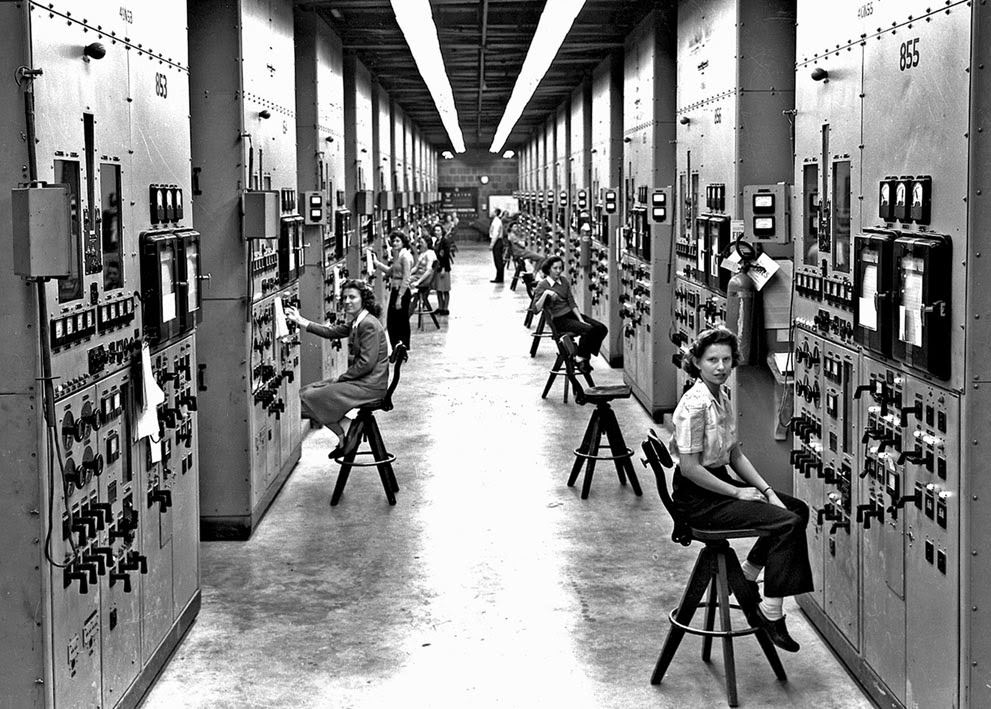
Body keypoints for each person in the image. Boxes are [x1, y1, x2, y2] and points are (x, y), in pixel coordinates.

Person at [670, 326, 813, 653]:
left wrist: (765, 490)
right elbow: (690, 468)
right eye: (712, 360)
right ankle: (772, 612)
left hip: (717, 480)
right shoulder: (694, 405)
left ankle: (749, 572)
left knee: (796, 510)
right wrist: (737, 493)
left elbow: (734, 454)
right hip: (699, 498)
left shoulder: (721, 396)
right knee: (787, 524)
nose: (720, 367)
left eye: (726, 359)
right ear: (697, 362)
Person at [286, 280, 389, 458]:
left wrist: (343, 378)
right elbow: (331, 332)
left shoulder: (368, 324)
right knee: (306, 392)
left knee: (310, 396)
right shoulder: (359, 321)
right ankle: (345, 432)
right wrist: (300, 321)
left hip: (370, 385)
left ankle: (346, 433)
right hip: (364, 381)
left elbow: (366, 363)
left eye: (352, 297)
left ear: (363, 299)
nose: (347, 301)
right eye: (344, 297)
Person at [530, 256, 607, 373]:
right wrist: (546, 293)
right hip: (559, 319)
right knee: (589, 330)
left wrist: (581, 320)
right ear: (548, 269)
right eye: (555, 268)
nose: (558, 271)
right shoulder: (543, 285)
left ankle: (583, 357)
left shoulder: (564, 281)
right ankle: (581, 358)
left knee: (601, 329)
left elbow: (571, 303)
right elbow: (535, 309)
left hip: (571, 314)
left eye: (560, 268)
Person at [371, 230, 414, 351]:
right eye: (393, 241)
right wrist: (377, 263)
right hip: (396, 291)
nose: (394, 243)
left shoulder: (405, 257)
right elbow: (390, 271)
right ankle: (397, 347)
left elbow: (406, 278)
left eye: (397, 241)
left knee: (399, 321)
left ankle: (401, 348)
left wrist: (400, 297)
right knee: (394, 321)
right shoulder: (398, 256)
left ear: (403, 242)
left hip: (402, 292)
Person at [409, 234, 437, 310]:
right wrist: (408, 274)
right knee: (404, 280)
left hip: (424, 279)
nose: (420, 244)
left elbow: (429, 270)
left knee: (404, 284)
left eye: (422, 242)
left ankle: (410, 305)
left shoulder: (430, 254)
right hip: (418, 276)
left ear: (427, 243)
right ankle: (410, 305)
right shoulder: (422, 253)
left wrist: (418, 282)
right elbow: (416, 267)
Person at [432, 222, 454, 315]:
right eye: (435, 230)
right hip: (437, 267)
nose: (437, 232)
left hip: (444, 268)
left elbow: (445, 256)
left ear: (442, 231)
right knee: (439, 289)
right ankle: (440, 307)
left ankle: (445, 308)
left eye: (438, 230)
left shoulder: (445, 241)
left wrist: (444, 269)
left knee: (445, 289)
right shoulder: (436, 241)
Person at [489, 208, 505, 283]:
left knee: (498, 261)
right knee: (497, 260)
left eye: (492, 211)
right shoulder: (496, 220)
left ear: (495, 213)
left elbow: (496, 233)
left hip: (497, 242)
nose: (491, 212)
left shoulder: (497, 222)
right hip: (497, 241)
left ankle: (499, 278)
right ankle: (498, 277)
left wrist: (492, 244)